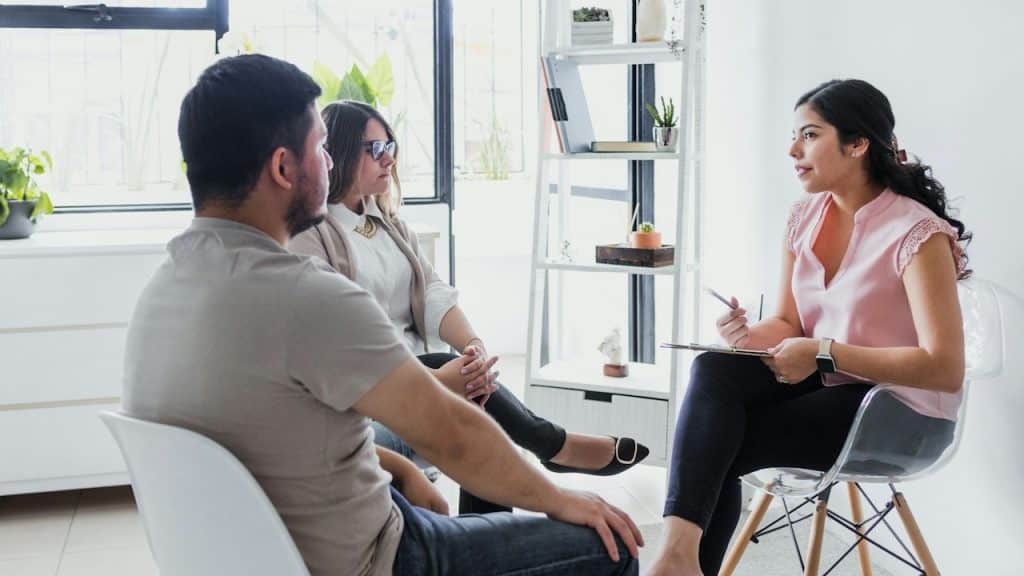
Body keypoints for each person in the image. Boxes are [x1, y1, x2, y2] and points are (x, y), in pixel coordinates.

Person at [122, 53, 642, 576]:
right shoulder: (304, 294)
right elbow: (451, 435)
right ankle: (560, 456)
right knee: (610, 544)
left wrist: (397, 468)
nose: (328, 162)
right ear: (284, 168)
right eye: (320, 148)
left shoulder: (160, 293)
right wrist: (559, 499)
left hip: (258, 554)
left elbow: (281, 438)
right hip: (380, 558)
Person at [648, 79, 971, 576]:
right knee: (714, 368)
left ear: (857, 144)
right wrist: (747, 337)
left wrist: (824, 352)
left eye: (810, 135)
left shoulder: (917, 232)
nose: (793, 149)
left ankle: (676, 565)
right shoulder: (803, 217)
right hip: (826, 384)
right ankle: (676, 556)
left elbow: (944, 368)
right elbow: (787, 323)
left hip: (898, 409)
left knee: (720, 443)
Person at [289, 100, 650, 514]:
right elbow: (337, 348)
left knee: (475, 387)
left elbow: (436, 294)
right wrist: (438, 381)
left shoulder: (391, 225)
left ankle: (528, 475)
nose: (388, 158)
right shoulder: (312, 235)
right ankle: (553, 445)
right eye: (374, 149)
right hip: (374, 391)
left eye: (390, 145)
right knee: (471, 393)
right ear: (338, 155)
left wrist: (474, 347)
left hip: (418, 374)